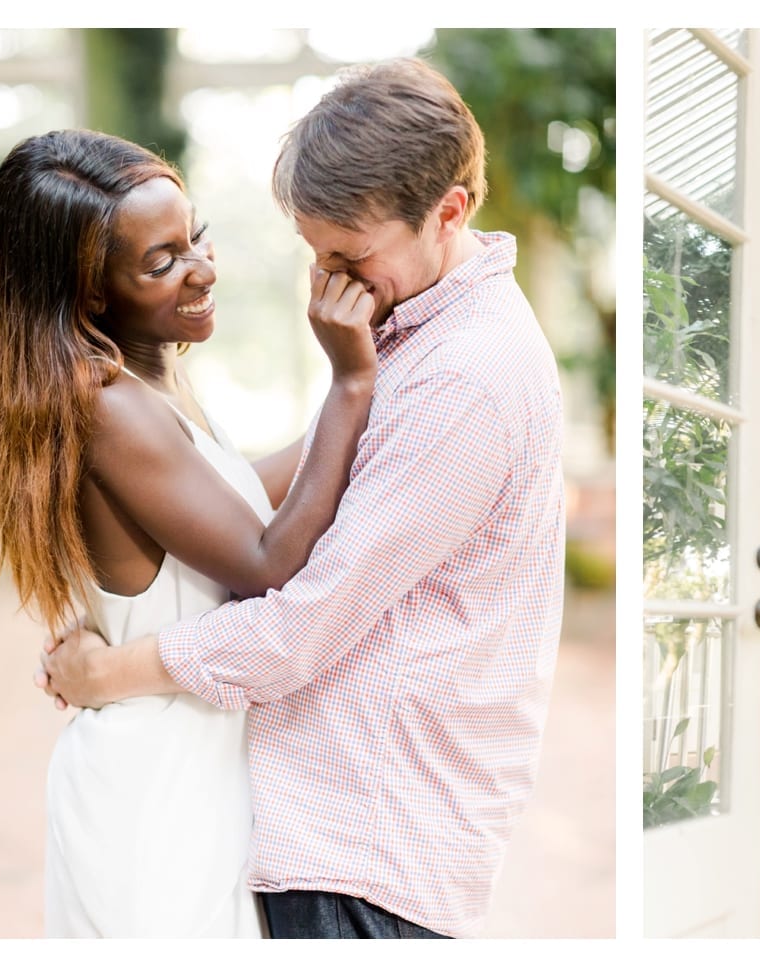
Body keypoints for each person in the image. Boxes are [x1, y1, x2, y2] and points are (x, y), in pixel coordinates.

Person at [37, 58, 567, 940]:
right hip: (333, 827)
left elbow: (299, 625)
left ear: (449, 212)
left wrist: (109, 670)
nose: (328, 281)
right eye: (315, 252)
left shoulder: (467, 379)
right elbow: (308, 476)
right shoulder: (414, 325)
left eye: (349, 254)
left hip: (368, 843)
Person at [0, 129, 379, 937]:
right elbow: (267, 562)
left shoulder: (147, 377)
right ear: (89, 293)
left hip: (190, 769)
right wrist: (352, 382)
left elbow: (234, 498)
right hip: (154, 796)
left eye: (194, 236)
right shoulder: (107, 406)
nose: (203, 269)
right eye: (160, 263)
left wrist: (386, 389)